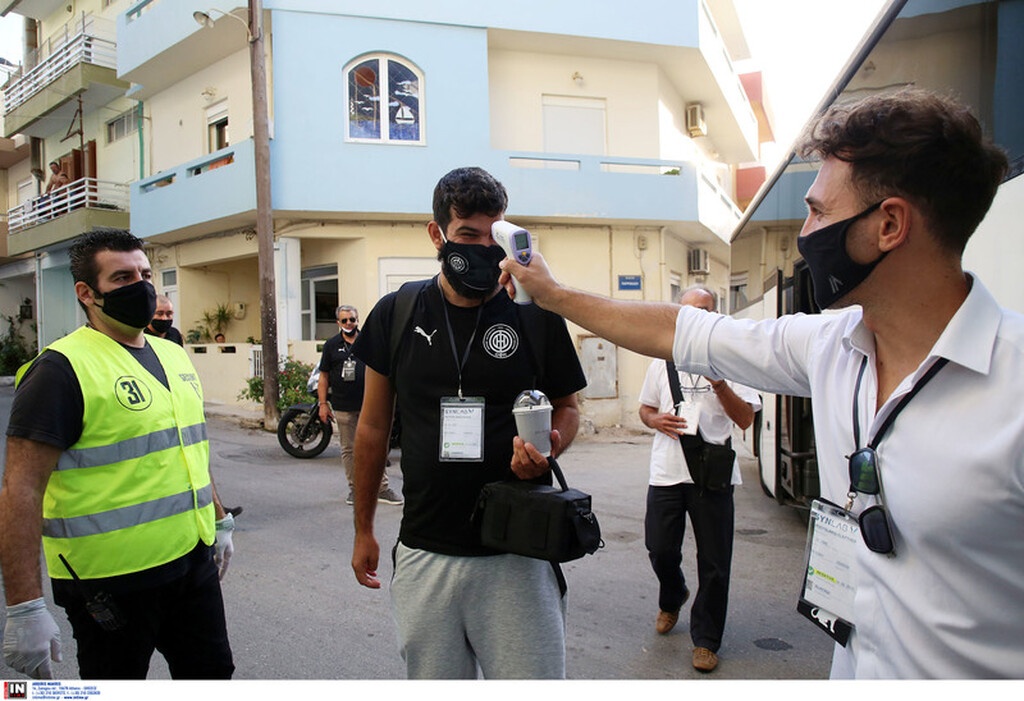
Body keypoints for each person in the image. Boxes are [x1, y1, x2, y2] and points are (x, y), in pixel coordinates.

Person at [500, 88, 1022, 679]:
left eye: (820, 212)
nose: (805, 234)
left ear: (890, 224)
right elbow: (683, 329)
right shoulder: (828, 347)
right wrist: (553, 294)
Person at [350, 166, 587, 679]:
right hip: (425, 551)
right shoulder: (396, 312)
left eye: (494, 234)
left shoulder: (535, 311)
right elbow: (370, 429)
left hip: (519, 551)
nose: (484, 248)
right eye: (468, 235)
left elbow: (569, 408)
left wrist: (549, 447)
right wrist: (364, 528)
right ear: (436, 234)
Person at [1, 229, 236, 680]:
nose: (142, 287)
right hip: (108, 587)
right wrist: (24, 606)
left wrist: (219, 518)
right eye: (123, 277)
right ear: (87, 293)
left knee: (212, 675)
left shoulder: (173, 356)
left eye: (146, 274)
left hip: (191, 562)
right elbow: (20, 490)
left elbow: (187, 451)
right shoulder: (60, 370)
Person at [638, 285, 760, 673]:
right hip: (667, 471)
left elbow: (745, 419)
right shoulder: (662, 359)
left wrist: (719, 383)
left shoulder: (732, 359)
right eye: (690, 311)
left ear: (715, 314)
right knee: (659, 548)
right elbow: (645, 409)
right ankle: (672, 596)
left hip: (712, 473)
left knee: (714, 560)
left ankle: (706, 640)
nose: (697, 317)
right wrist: (655, 420)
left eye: (704, 310)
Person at [317, 304, 402, 506]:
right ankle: (355, 489)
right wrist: (322, 403)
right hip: (343, 406)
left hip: (370, 405)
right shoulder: (331, 345)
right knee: (349, 449)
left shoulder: (370, 341)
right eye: (345, 320)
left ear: (358, 320)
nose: (349, 323)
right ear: (338, 322)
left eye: (353, 319)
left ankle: (382, 488)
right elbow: (324, 376)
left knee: (377, 446)